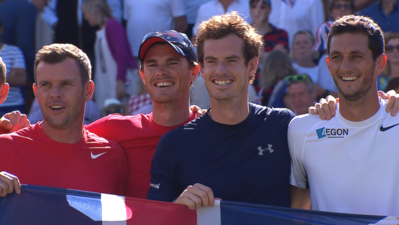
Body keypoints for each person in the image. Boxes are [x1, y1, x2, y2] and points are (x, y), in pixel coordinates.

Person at [147, 12, 294, 209]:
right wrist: (178, 209)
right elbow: (153, 219)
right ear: (202, 69)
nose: (221, 70)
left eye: (231, 60)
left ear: (252, 66)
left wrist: (327, 109)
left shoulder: (283, 126)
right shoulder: (174, 144)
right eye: (212, 61)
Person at [289, 15, 399, 215]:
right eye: (337, 57)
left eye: (356, 56)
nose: (345, 67)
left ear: (380, 64)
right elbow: (295, 213)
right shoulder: (301, 130)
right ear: (329, 64)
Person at [0, 43, 127, 197]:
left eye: (66, 84)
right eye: (46, 85)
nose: (55, 93)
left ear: (88, 91)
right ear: (36, 92)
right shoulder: (4, 148)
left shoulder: (113, 156)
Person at [85, 30, 200, 199]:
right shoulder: (114, 128)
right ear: (143, 75)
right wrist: (30, 133)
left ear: (194, 72)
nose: (161, 71)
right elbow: (61, 140)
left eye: (172, 63)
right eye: (152, 65)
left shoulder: (211, 131)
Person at [82, 0, 138, 110]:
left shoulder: (113, 26)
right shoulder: (100, 30)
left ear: (93, 10)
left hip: (118, 84)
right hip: (107, 83)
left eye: (85, 13)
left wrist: (120, 81)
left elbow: (122, 55)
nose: (85, 17)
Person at [0, 18, 27, 116]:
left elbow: (21, 79)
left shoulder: (14, 51)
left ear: (1, 29)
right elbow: (15, 77)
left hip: (13, 107)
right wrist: (9, 76)